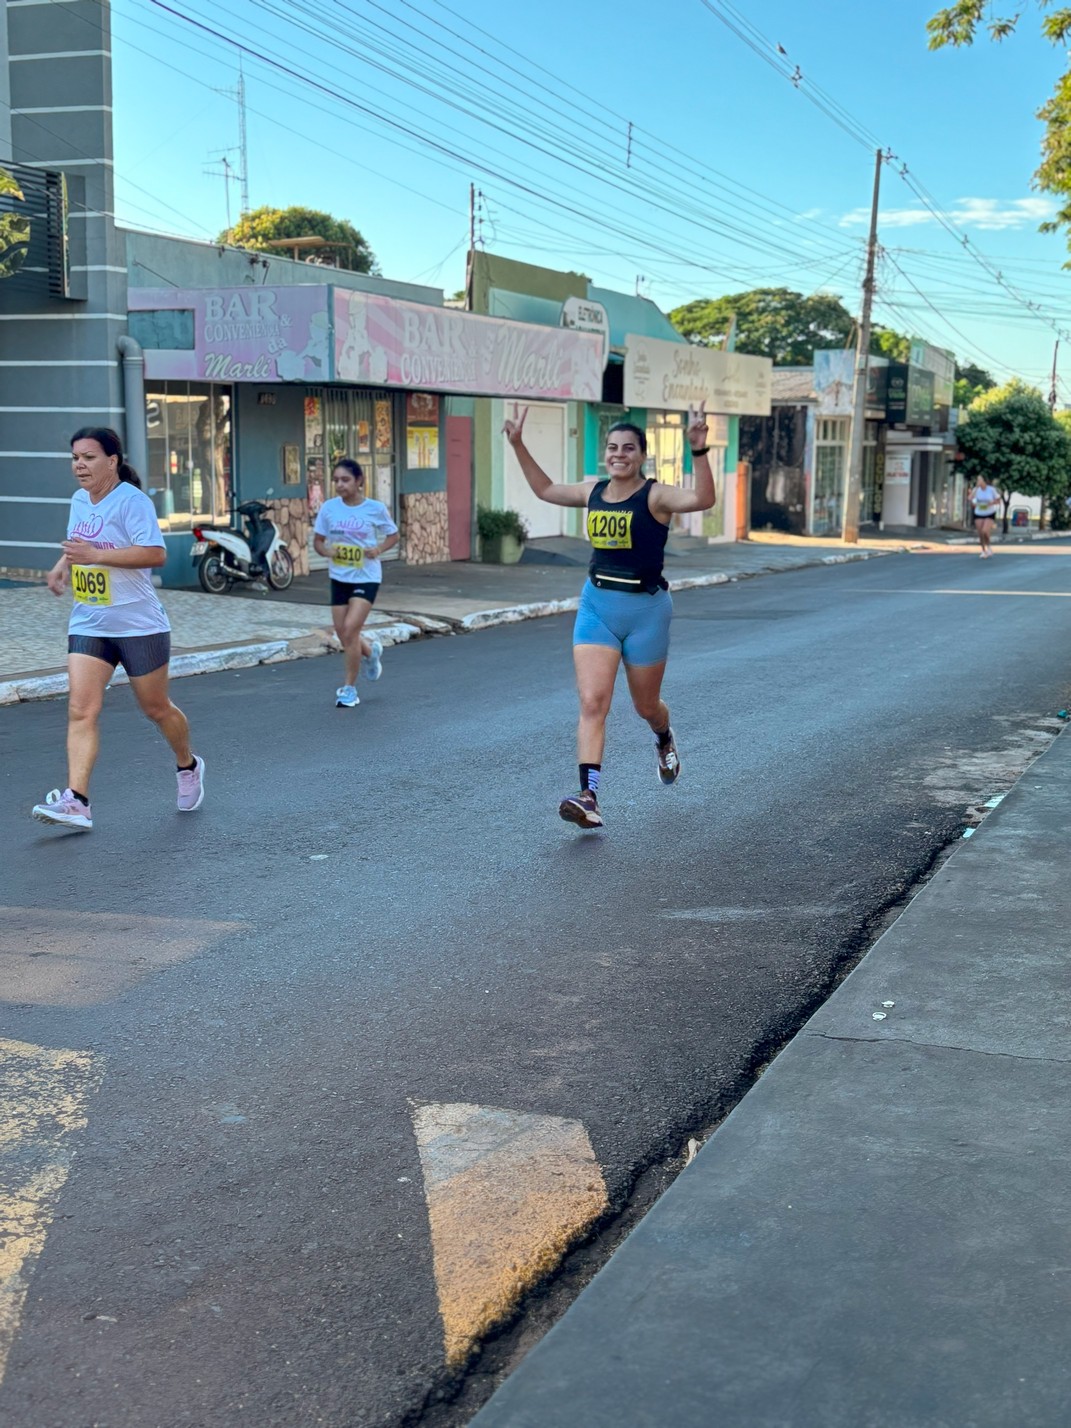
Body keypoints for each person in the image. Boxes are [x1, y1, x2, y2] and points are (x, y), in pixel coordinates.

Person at [503, 403, 715, 829]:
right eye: (612, 447)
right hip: (597, 605)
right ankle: (589, 795)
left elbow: (703, 499)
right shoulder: (592, 490)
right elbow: (545, 489)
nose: (619, 454)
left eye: (628, 448)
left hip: (646, 611)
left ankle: (664, 737)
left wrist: (699, 450)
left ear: (642, 455)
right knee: (592, 702)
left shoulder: (655, 496)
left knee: (645, 705)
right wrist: (517, 443)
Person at [31, 428, 205, 832]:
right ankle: (77, 801)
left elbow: (155, 553)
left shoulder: (132, 501)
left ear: (113, 460)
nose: (79, 465)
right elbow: (79, 541)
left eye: (89, 457)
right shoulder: (79, 499)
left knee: (155, 708)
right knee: (81, 709)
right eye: (75, 458)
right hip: (90, 620)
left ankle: (188, 764)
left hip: (138, 623)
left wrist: (97, 555)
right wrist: (63, 565)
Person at [313, 458, 399, 707]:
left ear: (359, 481)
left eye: (345, 479)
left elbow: (393, 535)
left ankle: (349, 689)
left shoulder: (375, 508)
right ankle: (371, 654)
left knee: (350, 630)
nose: (340, 485)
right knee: (343, 634)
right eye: (336, 480)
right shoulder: (329, 508)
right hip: (339, 577)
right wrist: (326, 551)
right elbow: (318, 541)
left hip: (367, 576)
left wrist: (379, 548)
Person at [970, 477, 1000, 557]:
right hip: (979, 512)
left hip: (989, 513)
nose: (978, 481)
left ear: (984, 481)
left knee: (985, 531)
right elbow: (970, 499)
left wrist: (992, 503)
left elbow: (998, 500)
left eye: (980, 480)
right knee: (980, 533)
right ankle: (983, 550)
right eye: (977, 480)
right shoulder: (976, 490)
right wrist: (975, 489)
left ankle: (989, 546)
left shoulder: (991, 490)